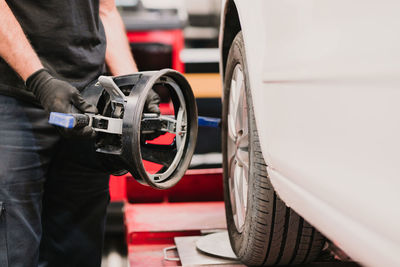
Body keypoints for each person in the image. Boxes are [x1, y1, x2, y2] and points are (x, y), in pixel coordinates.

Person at [0, 0, 159, 266]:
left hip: (87, 104)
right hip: (14, 100)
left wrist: (135, 88)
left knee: (78, 251)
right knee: (12, 250)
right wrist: (39, 80)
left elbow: (105, 8)